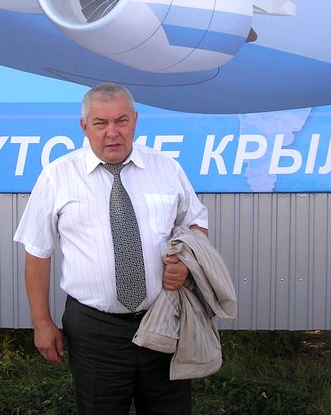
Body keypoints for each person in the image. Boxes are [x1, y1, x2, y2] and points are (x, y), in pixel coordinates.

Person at [13, 83, 208, 414]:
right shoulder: (58, 176)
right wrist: (42, 323)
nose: (112, 133)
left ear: (135, 120)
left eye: (121, 121)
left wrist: (187, 262)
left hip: (163, 321)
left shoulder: (166, 169)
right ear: (84, 126)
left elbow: (196, 224)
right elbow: (37, 253)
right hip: (95, 332)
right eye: (101, 123)